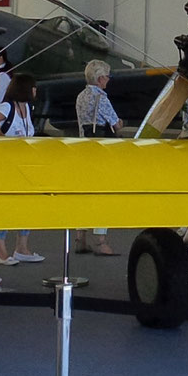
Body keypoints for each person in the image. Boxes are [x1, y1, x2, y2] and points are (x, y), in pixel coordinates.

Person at [0, 74, 44, 276]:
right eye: (33, 87)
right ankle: (1, 251)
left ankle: (22, 247)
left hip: (22, 165)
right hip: (4, 166)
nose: (35, 91)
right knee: (5, 206)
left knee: (26, 206)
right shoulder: (7, 108)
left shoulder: (26, 108)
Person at [73, 60, 124, 257]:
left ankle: (80, 237)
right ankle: (101, 241)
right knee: (103, 194)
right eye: (107, 77)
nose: (108, 80)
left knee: (84, 193)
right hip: (101, 151)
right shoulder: (101, 98)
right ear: (101, 78)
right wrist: (119, 122)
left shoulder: (81, 96)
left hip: (83, 148)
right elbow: (116, 124)